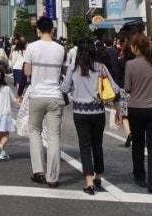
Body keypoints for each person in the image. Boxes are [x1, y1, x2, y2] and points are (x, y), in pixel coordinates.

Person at [60, 38, 121, 194]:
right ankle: (98, 175)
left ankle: (89, 181)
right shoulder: (100, 68)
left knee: (85, 146)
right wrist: (117, 110)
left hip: (80, 113)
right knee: (97, 145)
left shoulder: (73, 68)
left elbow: (65, 88)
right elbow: (115, 88)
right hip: (98, 112)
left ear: (79, 52)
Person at [23, 15, 67, 188]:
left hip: (37, 94)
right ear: (53, 30)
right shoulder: (60, 48)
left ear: (38, 30)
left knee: (34, 130)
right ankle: (53, 177)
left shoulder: (32, 47)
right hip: (55, 95)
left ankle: (39, 171)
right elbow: (64, 71)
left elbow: (27, 71)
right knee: (54, 136)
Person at [124, 33, 152, 196]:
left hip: (136, 108)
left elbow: (127, 88)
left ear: (135, 47)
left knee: (137, 144)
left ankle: (140, 176)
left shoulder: (130, 65)